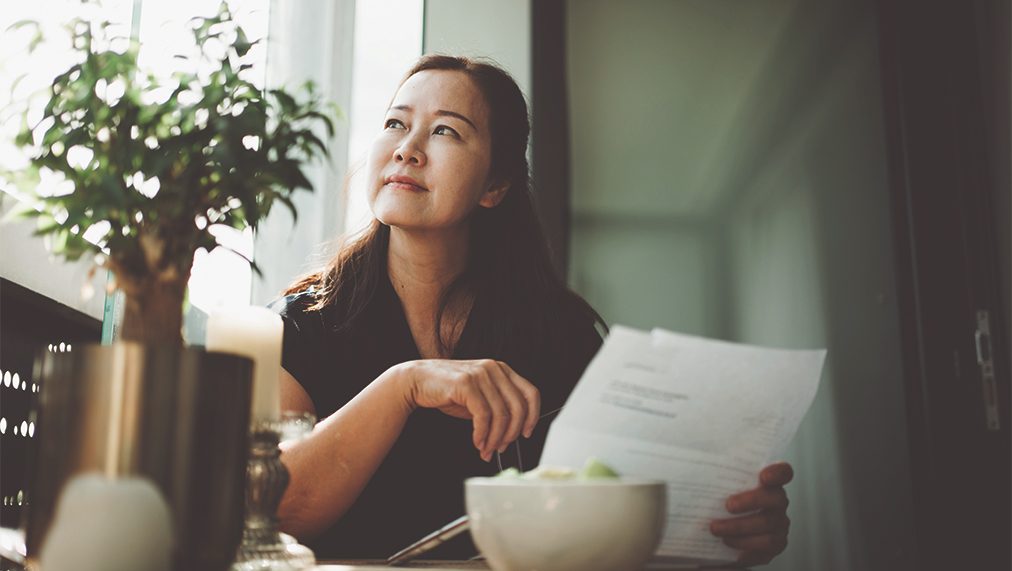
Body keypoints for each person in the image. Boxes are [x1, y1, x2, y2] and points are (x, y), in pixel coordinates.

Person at [271, 55, 793, 566]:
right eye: (395, 124)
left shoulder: (561, 335)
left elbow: (606, 529)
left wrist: (721, 528)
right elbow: (275, 510)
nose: (407, 149)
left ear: (496, 185)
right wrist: (405, 385)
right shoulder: (301, 325)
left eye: (446, 131)